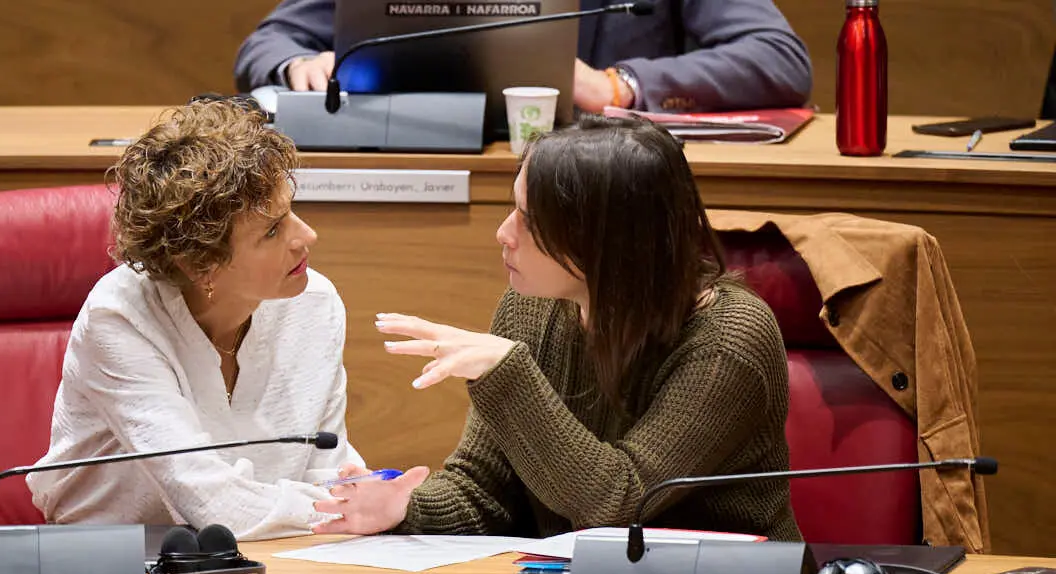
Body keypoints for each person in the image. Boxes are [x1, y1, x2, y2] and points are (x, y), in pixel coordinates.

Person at [311, 115, 801, 541]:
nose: (503, 233)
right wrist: (402, 507)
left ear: (604, 239)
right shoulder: (531, 309)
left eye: (530, 219)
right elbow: (486, 489)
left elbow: (620, 503)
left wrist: (510, 377)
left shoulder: (729, 338)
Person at [26, 98, 365, 541]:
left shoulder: (314, 303)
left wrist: (367, 499)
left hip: (275, 553)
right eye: (271, 230)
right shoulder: (120, 318)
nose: (307, 237)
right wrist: (346, 512)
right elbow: (214, 505)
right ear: (202, 264)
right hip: (114, 567)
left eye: (291, 212)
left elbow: (329, 470)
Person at [234, 0, 812, 114]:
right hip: (432, 168)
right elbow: (268, 43)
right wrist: (297, 66)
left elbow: (780, 58)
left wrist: (621, 85)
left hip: (599, 190)